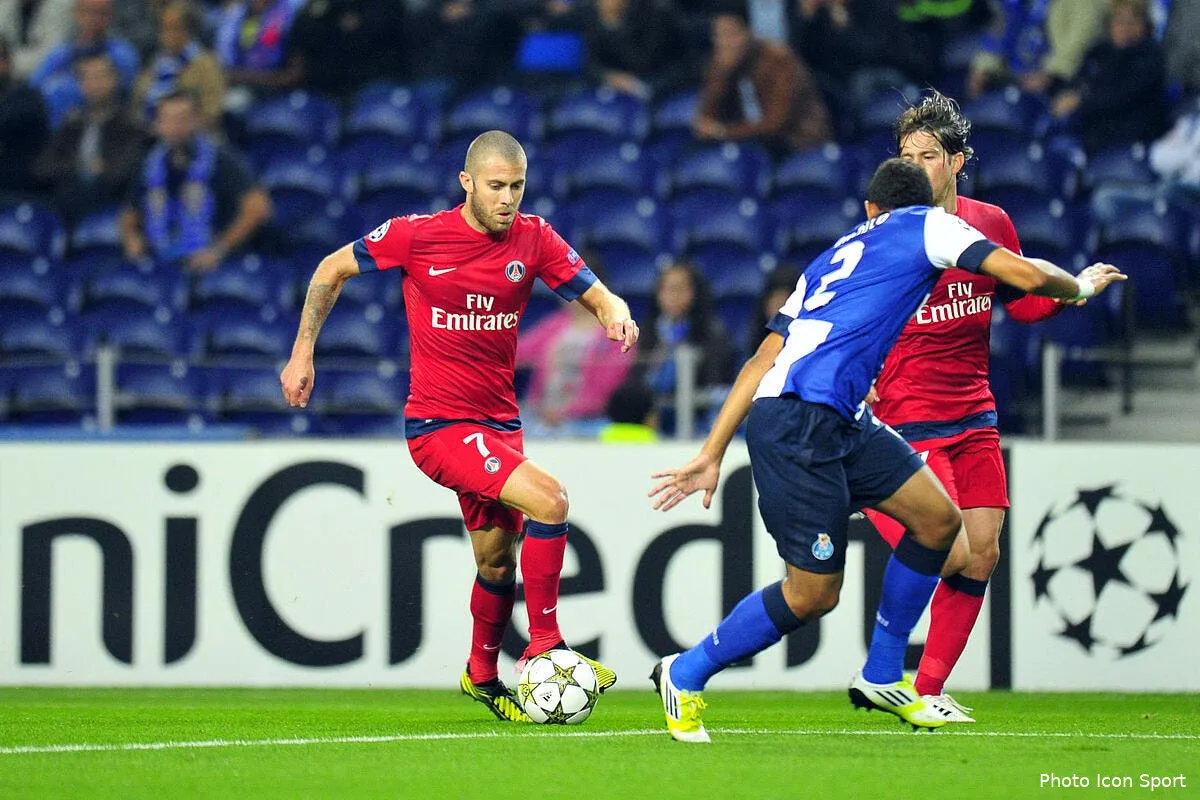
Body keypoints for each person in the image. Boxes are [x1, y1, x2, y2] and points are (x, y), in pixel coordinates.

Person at [646, 158, 1125, 743]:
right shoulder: (931, 226)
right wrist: (1079, 286)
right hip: (798, 423)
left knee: (938, 520)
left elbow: (758, 361)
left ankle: (881, 673)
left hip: (839, 416)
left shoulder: (831, 257)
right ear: (923, 203)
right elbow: (1021, 276)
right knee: (813, 594)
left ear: (870, 209)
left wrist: (713, 450)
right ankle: (685, 671)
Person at [279, 130, 638, 722]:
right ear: (466, 182)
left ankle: (480, 674)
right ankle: (545, 645)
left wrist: (616, 313)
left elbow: (596, 293)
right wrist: (302, 352)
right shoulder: (415, 235)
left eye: (517, 187)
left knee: (497, 562)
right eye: (496, 187)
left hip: (501, 423)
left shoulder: (534, 237)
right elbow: (329, 269)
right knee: (552, 500)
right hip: (438, 424)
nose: (507, 200)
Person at [866, 90, 1088, 723]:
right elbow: (852, 312)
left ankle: (928, 691)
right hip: (907, 419)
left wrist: (1072, 294)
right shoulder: (887, 230)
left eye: (929, 155)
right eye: (907, 156)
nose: (916, 166)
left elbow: (1021, 301)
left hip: (974, 414)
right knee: (955, 550)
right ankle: (888, 665)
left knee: (984, 551)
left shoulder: (990, 224)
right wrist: (862, 375)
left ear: (958, 161)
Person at [120, 88, 271, 272]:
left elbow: (258, 208)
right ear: (157, 124)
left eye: (182, 119)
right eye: (168, 119)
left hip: (211, 265)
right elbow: (130, 213)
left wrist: (219, 249)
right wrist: (131, 238)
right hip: (159, 260)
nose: (175, 127)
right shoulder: (149, 163)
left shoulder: (221, 159)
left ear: (196, 120)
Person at [693, 7, 833, 155]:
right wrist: (722, 75)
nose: (724, 43)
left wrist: (722, 132)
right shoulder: (720, 63)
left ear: (749, 33)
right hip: (748, 140)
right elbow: (705, 122)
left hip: (796, 141)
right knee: (694, 153)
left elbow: (776, 123)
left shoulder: (779, 60)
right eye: (719, 36)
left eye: (731, 35)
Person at [33, 51, 147, 222]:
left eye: (100, 77)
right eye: (87, 78)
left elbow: (127, 172)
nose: (95, 84)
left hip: (111, 205)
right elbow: (43, 167)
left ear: (115, 80)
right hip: (67, 203)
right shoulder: (70, 124)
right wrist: (80, 166)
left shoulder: (131, 126)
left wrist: (103, 170)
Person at [132, 1, 227, 133]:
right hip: (148, 135)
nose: (167, 35)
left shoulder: (206, 64)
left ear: (190, 30)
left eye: (175, 28)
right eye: (164, 28)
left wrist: (175, 129)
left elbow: (212, 111)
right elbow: (137, 103)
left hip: (191, 137)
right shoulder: (156, 62)